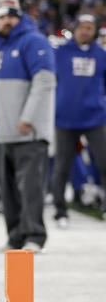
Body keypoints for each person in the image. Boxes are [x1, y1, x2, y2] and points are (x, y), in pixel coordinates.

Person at [0, 0, 55, 252]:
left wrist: (28, 117)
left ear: (20, 17)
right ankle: (15, 237)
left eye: (11, 15)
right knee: (8, 192)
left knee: (31, 188)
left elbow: (44, 81)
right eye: (2, 17)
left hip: (27, 132)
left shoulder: (33, 41)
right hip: (2, 130)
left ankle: (34, 236)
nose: (7, 21)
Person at [50, 14, 106, 227]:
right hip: (65, 119)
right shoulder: (60, 53)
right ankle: (60, 212)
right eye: (82, 27)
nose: (85, 31)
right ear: (75, 29)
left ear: (95, 31)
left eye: (89, 27)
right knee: (62, 167)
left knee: (104, 163)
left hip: (95, 118)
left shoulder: (102, 55)